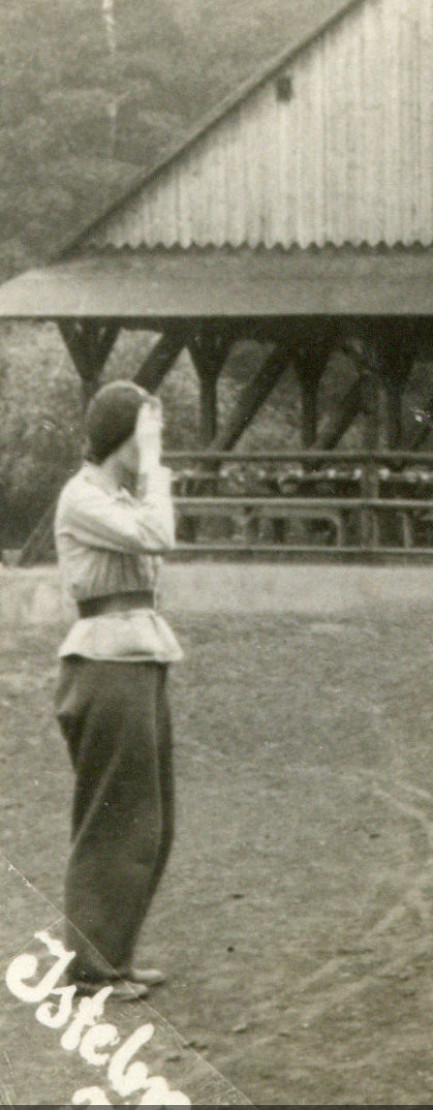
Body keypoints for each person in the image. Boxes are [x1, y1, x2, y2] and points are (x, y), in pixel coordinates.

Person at [52, 381, 181, 1001]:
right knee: (116, 819)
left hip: (138, 658)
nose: (154, 444)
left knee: (151, 819)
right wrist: (156, 471)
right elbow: (159, 536)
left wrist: (148, 473)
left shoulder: (120, 497)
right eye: (146, 430)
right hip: (104, 665)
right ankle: (90, 969)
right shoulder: (83, 498)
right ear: (118, 435)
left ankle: (113, 958)